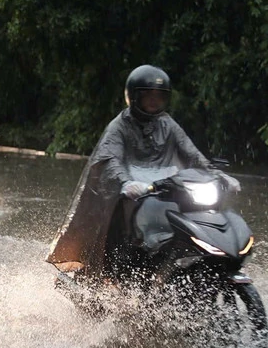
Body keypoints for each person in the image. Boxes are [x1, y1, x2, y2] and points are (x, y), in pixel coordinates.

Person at [46, 64, 240, 279]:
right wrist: (126, 182)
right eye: (149, 96)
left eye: (159, 96)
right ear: (135, 97)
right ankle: (115, 274)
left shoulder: (168, 124)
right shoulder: (119, 126)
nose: (154, 101)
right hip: (129, 192)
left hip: (162, 187)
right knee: (120, 224)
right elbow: (109, 159)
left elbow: (192, 154)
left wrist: (217, 174)